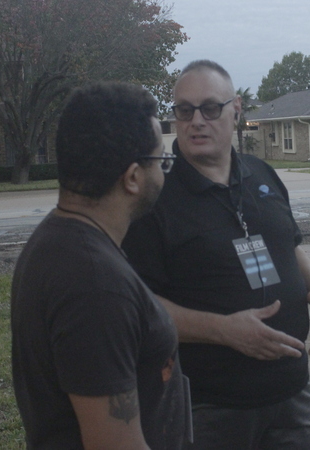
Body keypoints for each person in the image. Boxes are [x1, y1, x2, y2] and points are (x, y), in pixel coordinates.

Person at [122, 60, 310, 449]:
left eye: (209, 108)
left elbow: (288, 243)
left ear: (235, 109)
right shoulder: (156, 200)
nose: (196, 121)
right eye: (184, 110)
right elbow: (140, 308)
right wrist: (224, 330)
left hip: (292, 393)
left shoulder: (262, 174)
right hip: (210, 407)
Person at [11, 81, 189, 449]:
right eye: (161, 161)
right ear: (133, 177)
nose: (164, 172)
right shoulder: (96, 285)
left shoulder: (58, 240)